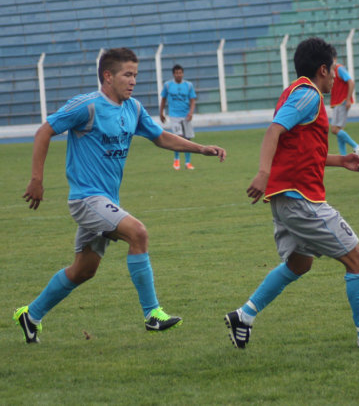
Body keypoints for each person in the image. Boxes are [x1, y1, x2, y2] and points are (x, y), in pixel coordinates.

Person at [14, 48, 226, 344]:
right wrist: (37, 179)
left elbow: (161, 136)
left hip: (106, 201)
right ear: (108, 76)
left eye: (136, 75)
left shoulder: (133, 108)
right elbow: (44, 131)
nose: (133, 81)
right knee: (138, 233)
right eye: (128, 74)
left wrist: (200, 148)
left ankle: (31, 314)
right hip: (86, 199)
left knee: (84, 270)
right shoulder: (86, 106)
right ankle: (153, 314)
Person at [224, 37, 359, 350]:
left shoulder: (293, 92)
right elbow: (274, 132)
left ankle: (244, 315)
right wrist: (263, 173)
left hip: (286, 200)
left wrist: (340, 160)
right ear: (322, 69)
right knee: (357, 259)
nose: (336, 77)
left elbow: (300, 151)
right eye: (333, 70)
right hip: (299, 200)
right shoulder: (308, 95)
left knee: (299, 265)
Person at [160, 64, 197, 170]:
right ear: (173, 74)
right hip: (174, 115)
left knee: (188, 139)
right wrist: (161, 113)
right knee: (178, 137)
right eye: (176, 73)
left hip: (185, 116)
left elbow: (192, 100)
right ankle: (176, 161)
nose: (178, 75)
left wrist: (191, 112)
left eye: (180, 73)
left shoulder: (189, 85)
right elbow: (163, 99)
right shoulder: (168, 85)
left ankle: (188, 162)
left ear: (183, 73)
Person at [329, 51, 359, 156]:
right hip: (337, 102)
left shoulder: (339, 68)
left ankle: (356, 146)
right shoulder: (332, 70)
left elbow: (351, 82)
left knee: (334, 129)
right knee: (339, 130)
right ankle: (343, 156)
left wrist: (348, 99)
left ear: (334, 58)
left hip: (342, 102)